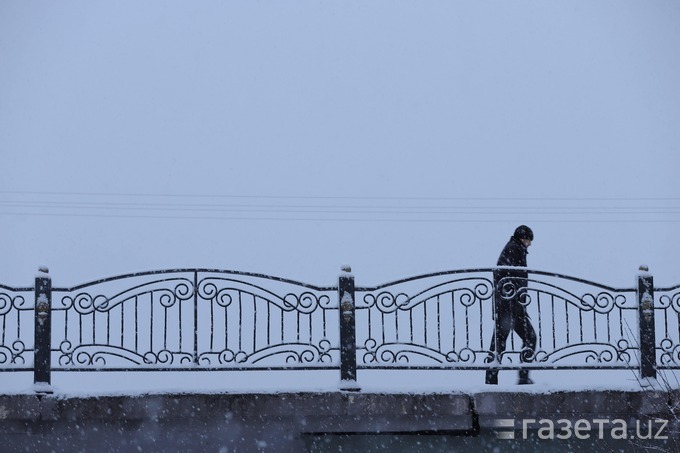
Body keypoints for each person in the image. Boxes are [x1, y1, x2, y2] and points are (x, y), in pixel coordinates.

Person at [485, 225, 537, 385]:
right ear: (523, 238)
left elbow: (505, 276)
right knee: (527, 338)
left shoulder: (514, 249)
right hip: (510, 307)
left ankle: (492, 381)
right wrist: (513, 299)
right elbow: (504, 276)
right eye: (528, 240)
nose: (529, 244)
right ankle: (521, 377)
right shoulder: (514, 249)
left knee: (500, 344)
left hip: (510, 306)